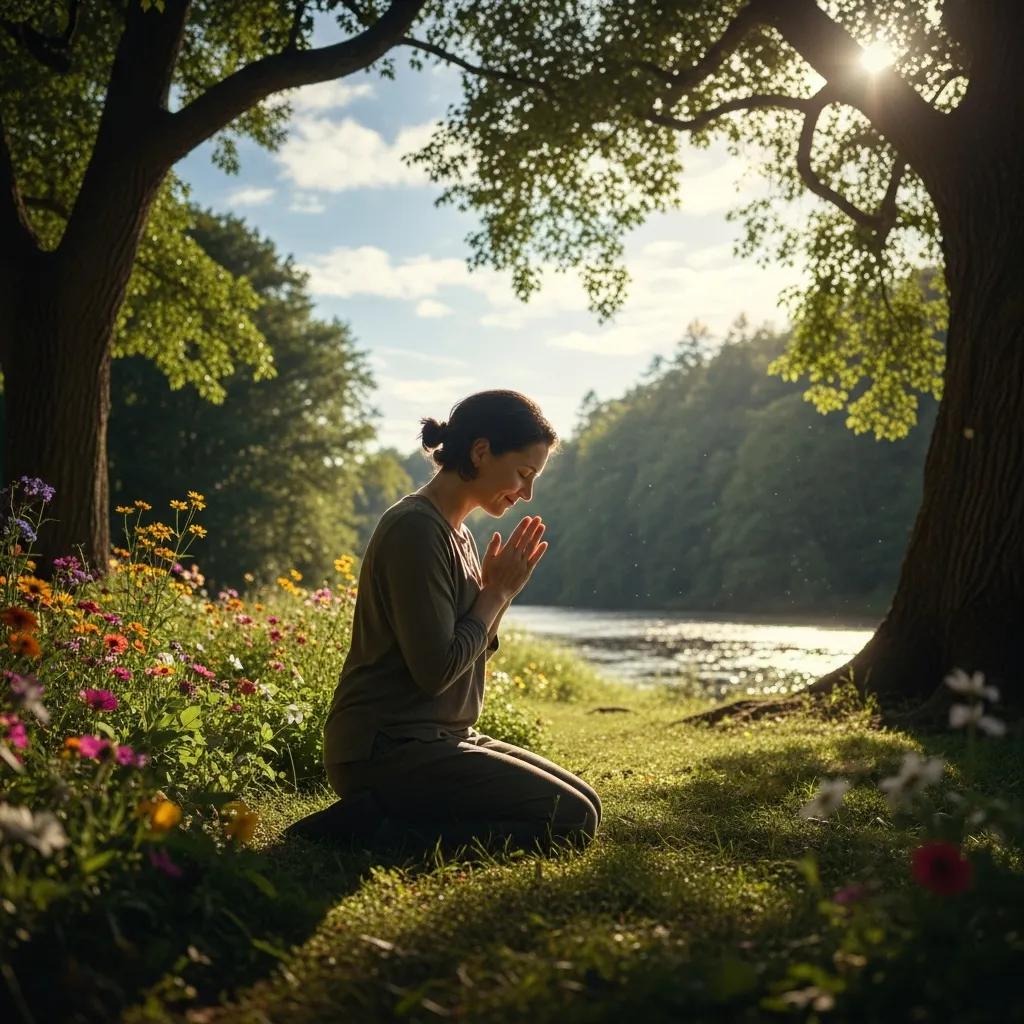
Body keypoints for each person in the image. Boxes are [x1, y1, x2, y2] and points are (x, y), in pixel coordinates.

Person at [286, 390, 601, 857]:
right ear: (480, 451)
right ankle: (368, 831)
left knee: (586, 804)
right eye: (522, 473)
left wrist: (500, 594)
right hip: (386, 748)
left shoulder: (461, 536)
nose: (526, 492)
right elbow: (435, 670)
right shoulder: (415, 529)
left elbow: (466, 644)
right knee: (572, 819)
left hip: (443, 737)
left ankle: (389, 816)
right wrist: (496, 594)